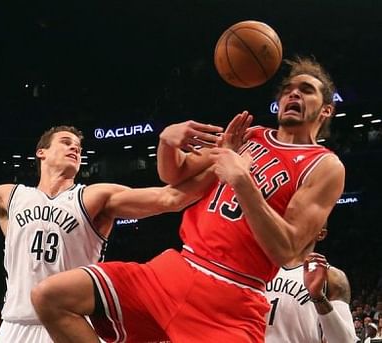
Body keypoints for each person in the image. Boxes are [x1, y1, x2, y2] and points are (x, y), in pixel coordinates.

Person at [30, 56, 345, 342]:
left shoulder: (325, 166)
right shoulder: (249, 135)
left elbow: (287, 249)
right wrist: (167, 141)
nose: (293, 94)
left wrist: (242, 182)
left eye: (306, 90)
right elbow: (175, 174)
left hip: (232, 301)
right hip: (174, 270)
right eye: (288, 89)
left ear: (326, 109)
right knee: (51, 297)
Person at [0, 80, 242, 342]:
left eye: (78, 147)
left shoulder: (94, 196)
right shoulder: (11, 197)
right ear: (41, 153)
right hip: (15, 326)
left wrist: (221, 161)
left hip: (69, 324)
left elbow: (169, 198)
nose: (74, 148)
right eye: (65, 142)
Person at [265, 226, 357, 343]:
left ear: (321, 234)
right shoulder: (260, 266)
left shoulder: (332, 277)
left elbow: (345, 341)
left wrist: (318, 297)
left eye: (309, 220)